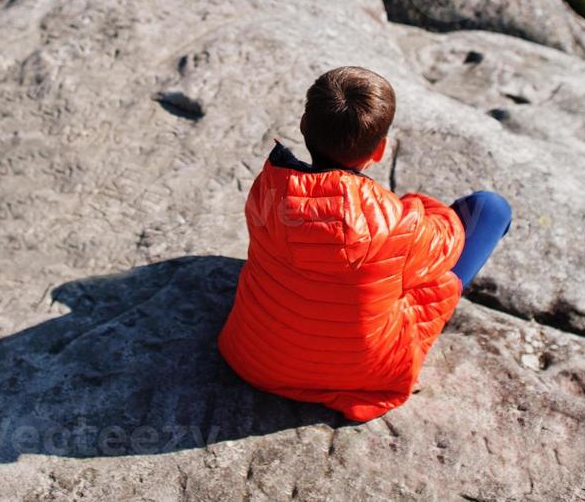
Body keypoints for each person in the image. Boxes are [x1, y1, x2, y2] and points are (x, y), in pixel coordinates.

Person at [217, 66, 513, 421]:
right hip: (361, 373)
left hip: (253, 358)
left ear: (303, 125)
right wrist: (416, 206)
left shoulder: (268, 186)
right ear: (380, 149)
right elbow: (447, 245)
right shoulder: (395, 223)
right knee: (491, 209)